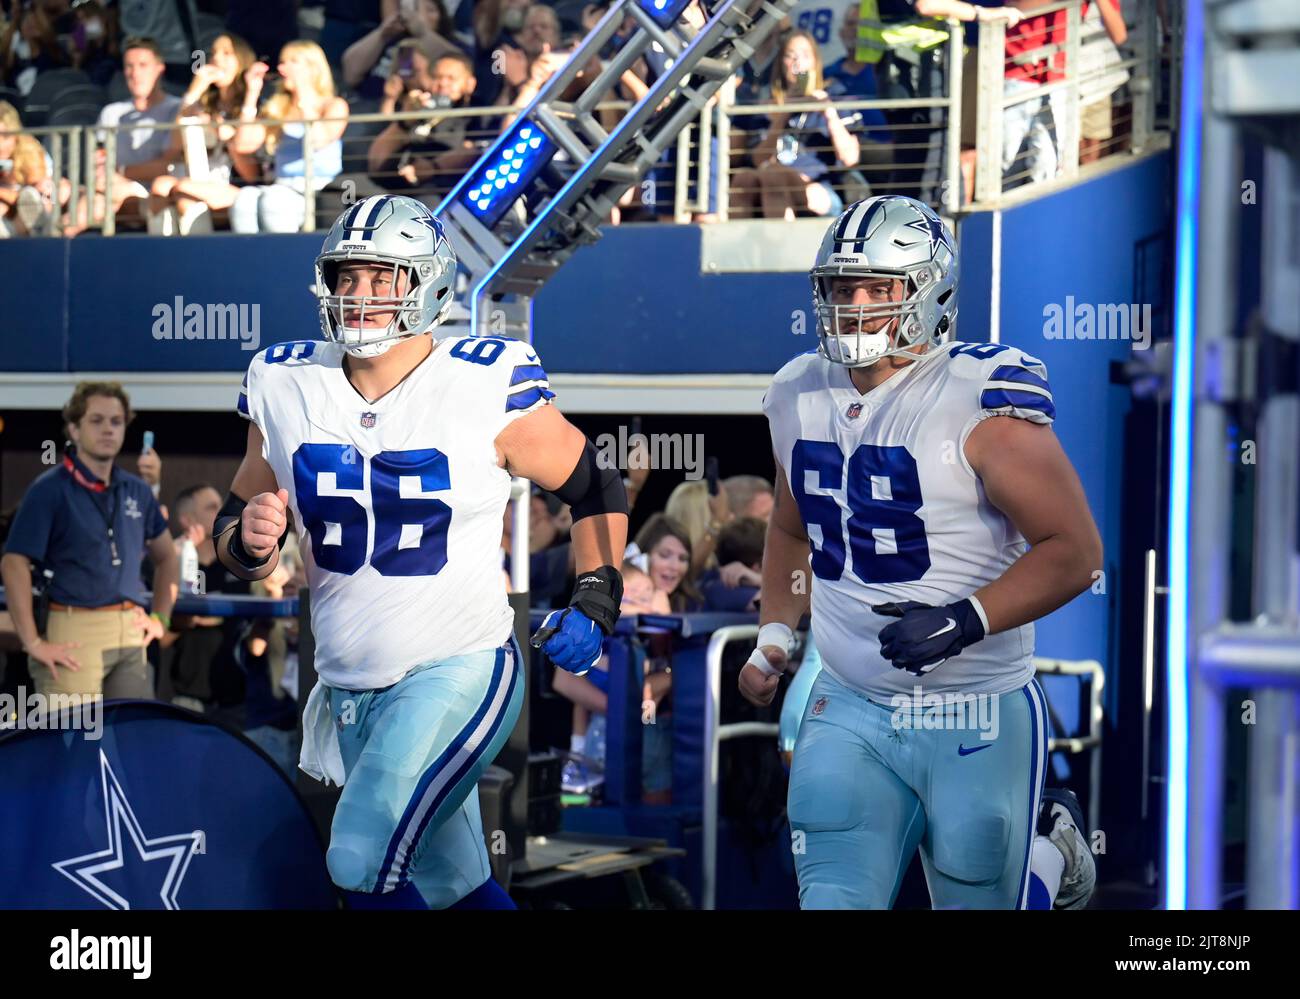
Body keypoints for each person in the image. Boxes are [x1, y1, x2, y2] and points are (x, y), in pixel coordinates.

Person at [215, 194, 629, 909]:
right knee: (453, 884)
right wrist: (250, 541)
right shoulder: (286, 381)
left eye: (385, 277)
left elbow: (596, 484)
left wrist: (596, 594)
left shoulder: (482, 381)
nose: (362, 294)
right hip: (349, 684)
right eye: (349, 276)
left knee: (360, 854)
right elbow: (236, 524)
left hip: (457, 669)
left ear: (429, 283)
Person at [740, 194, 1103, 909]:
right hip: (848, 699)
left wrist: (963, 619)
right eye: (844, 288)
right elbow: (790, 528)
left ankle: (1047, 852)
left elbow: (1076, 551)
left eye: (880, 288)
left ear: (929, 291)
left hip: (976, 705)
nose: (856, 306)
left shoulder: (979, 398)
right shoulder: (795, 391)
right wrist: (776, 632)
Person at [0, 383, 178, 700]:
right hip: (73, 628)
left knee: (131, 743)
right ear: (74, 429)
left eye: (116, 421)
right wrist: (33, 642)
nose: (108, 429)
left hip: (131, 630)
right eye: (96, 420)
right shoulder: (49, 489)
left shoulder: (136, 489)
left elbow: (167, 557)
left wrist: (160, 618)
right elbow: (13, 563)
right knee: (72, 744)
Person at [730, 30, 861, 220]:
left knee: (773, 174)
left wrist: (829, 112)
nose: (797, 63)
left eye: (805, 56)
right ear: (781, 63)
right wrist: (783, 116)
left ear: (815, 61)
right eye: (790, 56)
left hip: (820, 188)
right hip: (770, 180)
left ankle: (779, 246)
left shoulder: (836, 95)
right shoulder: (768, 106)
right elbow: (759, 160)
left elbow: (850, 159)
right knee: (745, 178)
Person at [229, 41, 349, 233]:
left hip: (318, 188)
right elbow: (243, 145)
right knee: (245, 198)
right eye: (283, 61)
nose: (284, 67)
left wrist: (303, 95)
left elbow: (318, 141)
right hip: (282, 185)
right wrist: (252, 93)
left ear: (313, 68)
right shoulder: (278, 107)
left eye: (294, 61)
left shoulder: (333, 105)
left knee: (274, 201)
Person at [147, 33, 261, 234]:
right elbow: (174, 145)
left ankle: (191, 256)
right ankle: (161, 254)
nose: (217, 59)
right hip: (195, 180)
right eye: (214, 53)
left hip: (236, 187)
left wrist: (227, 137)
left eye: (227, 53)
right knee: (160, 185)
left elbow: (251, 174)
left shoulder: (255, 104)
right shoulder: (203, 105)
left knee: (184, 192)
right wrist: (194, 92)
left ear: (242, 60)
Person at [367, 48, 483, 196]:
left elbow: (473, 150)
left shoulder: (475, 113)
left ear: (470, 84)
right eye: (437, 77)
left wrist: (432, 168)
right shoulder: (418, 106)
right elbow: (376, 162)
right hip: (387, 184)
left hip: (434, 191)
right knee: (336, 191)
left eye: (451, 78)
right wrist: (406, 119)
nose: (442, 83)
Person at [342, 0, 460, 102]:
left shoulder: (449, 44)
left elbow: (406, 76)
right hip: (366, 101)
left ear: (442, 16)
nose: (420, 16)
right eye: (414, 9)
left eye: (430, 10)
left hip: (402, 108)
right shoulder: (393, 38)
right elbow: (350, 73)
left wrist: (423, 33)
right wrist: (382, 33)